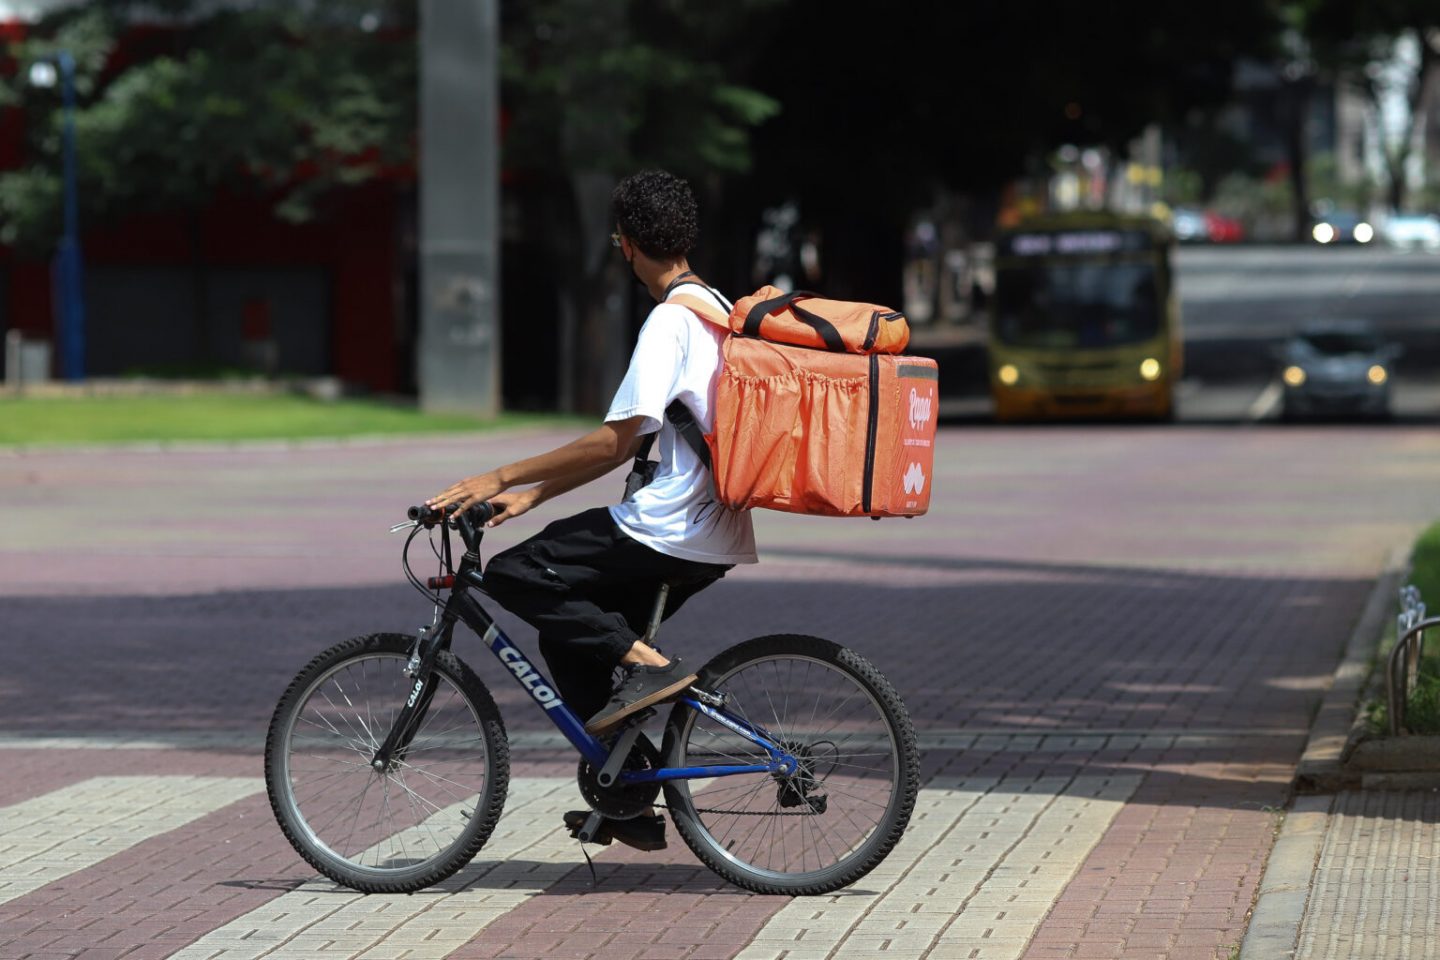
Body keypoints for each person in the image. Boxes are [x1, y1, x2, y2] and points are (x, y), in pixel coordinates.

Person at [426, 169, 757, 851]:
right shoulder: (716, 307)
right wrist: (535, 493)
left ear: (626, 245)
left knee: (516, 575)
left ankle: (649, 665)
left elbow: (613, 444)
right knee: (567, 636)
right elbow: (632, 443)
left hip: (671, 526)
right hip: (715, 531)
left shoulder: (670, 320)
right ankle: (628, 795)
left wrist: (495, 474)